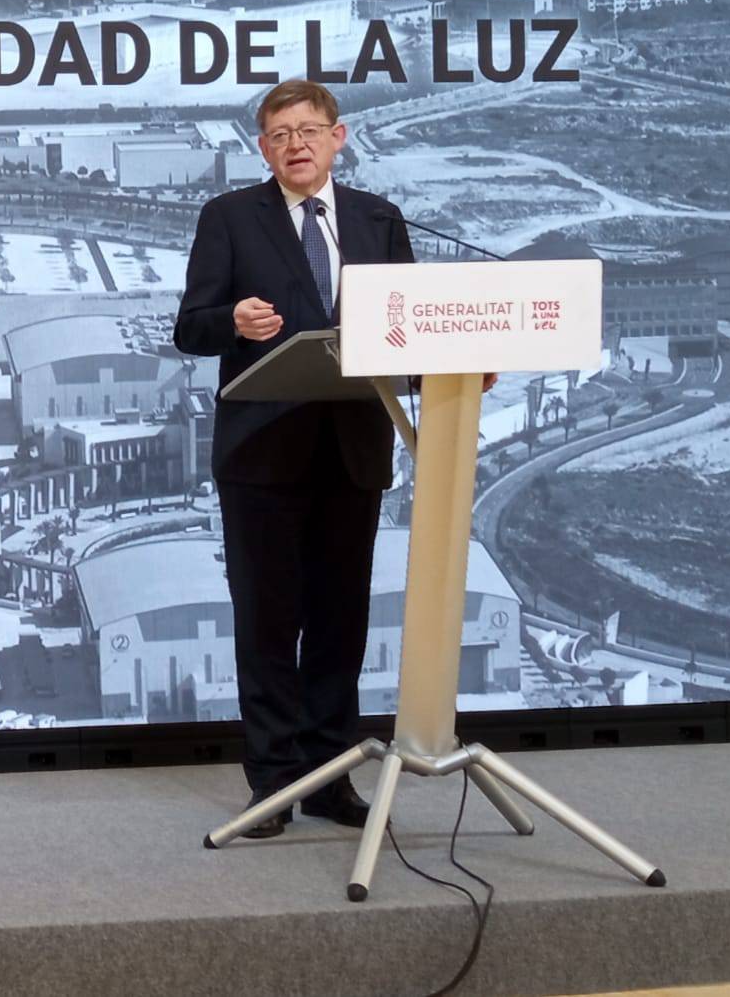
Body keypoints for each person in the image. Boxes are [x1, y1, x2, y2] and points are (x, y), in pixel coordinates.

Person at [174, 79, 492, 837]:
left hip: (352, 451)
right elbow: (191, 326)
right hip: (261, 454)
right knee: (268, 620)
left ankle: (329, 777)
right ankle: (275, 782)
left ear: (338, 137)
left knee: (341, 623)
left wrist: (454, 368)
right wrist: (233, 321)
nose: (296, 143)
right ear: (263, 148)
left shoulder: (380, 220)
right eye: (279, 133)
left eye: (308, 129)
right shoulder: (229, 219)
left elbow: (407, 333)